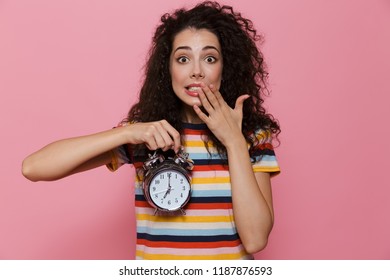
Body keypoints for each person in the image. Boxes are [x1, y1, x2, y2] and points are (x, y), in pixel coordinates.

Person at [22, 1, 281, 260]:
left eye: (209, 58)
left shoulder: (251, 135)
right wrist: (127, 133)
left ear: (225, 69)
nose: (196, 72)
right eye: (183, 59)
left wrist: (234, 141)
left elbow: (256, 239)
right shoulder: (146, 135)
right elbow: (33, 168)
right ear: (167, 69)